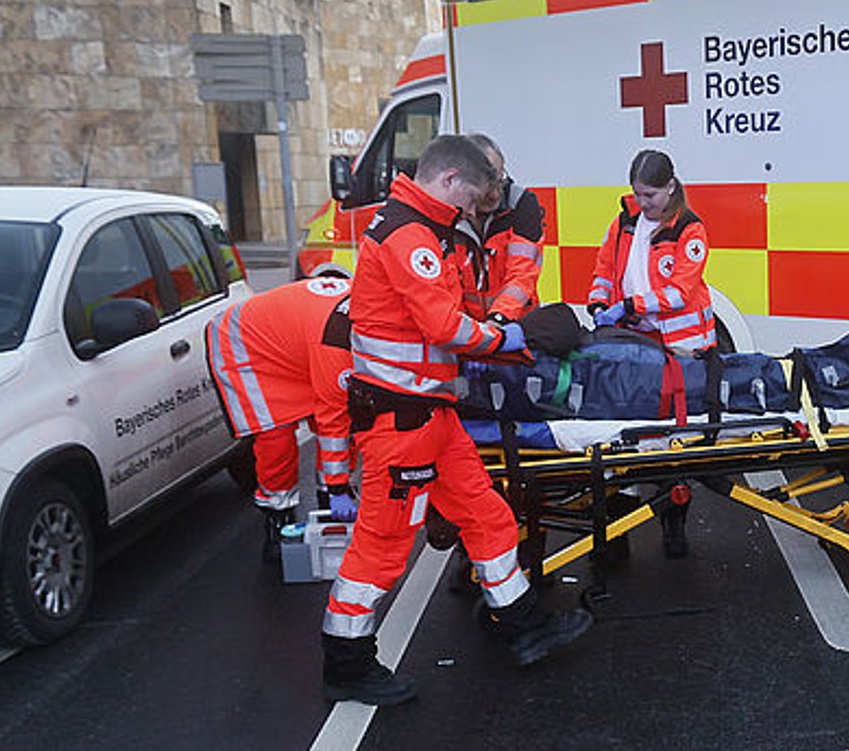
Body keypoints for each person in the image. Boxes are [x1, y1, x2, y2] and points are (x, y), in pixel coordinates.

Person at [325, 134, 592, 705]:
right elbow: (446, 327)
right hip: (402, 421)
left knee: (487, 515)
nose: (474, 210)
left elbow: (456, 312)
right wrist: (505, 336)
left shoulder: (428, 231)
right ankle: (346, 661)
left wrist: (506, 327)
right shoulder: (408, 236)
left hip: (431, 413)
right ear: (448, 180)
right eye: (471, 198)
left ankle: (523, 625)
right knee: (382, 545)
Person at [204, 276, 359, 558]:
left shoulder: (373, 320)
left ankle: (328, 502)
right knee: (276, 438)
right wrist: (340, 487)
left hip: (297, 343)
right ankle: (278, 516)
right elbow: (334, 422)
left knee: (336, 414)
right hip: (247, 343)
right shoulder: (339, 343)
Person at [586, 148, 716, 353]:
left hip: (682, 344)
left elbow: (679, 294)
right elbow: (604, 272)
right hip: (633, 337)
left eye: (650, 195)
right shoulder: (623, 223)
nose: (643, 202)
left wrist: (628, 306)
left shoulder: (688, 229)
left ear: (670, 186)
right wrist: (598, 304)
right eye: (637, 193)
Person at [458, 133, 545, 326]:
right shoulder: (449, 214)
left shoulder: (521, 204)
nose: (496, 194)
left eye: (500, 180)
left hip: (517, 323)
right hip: (466, 332)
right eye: (488, 187)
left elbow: (523, 274)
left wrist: (497, 320)